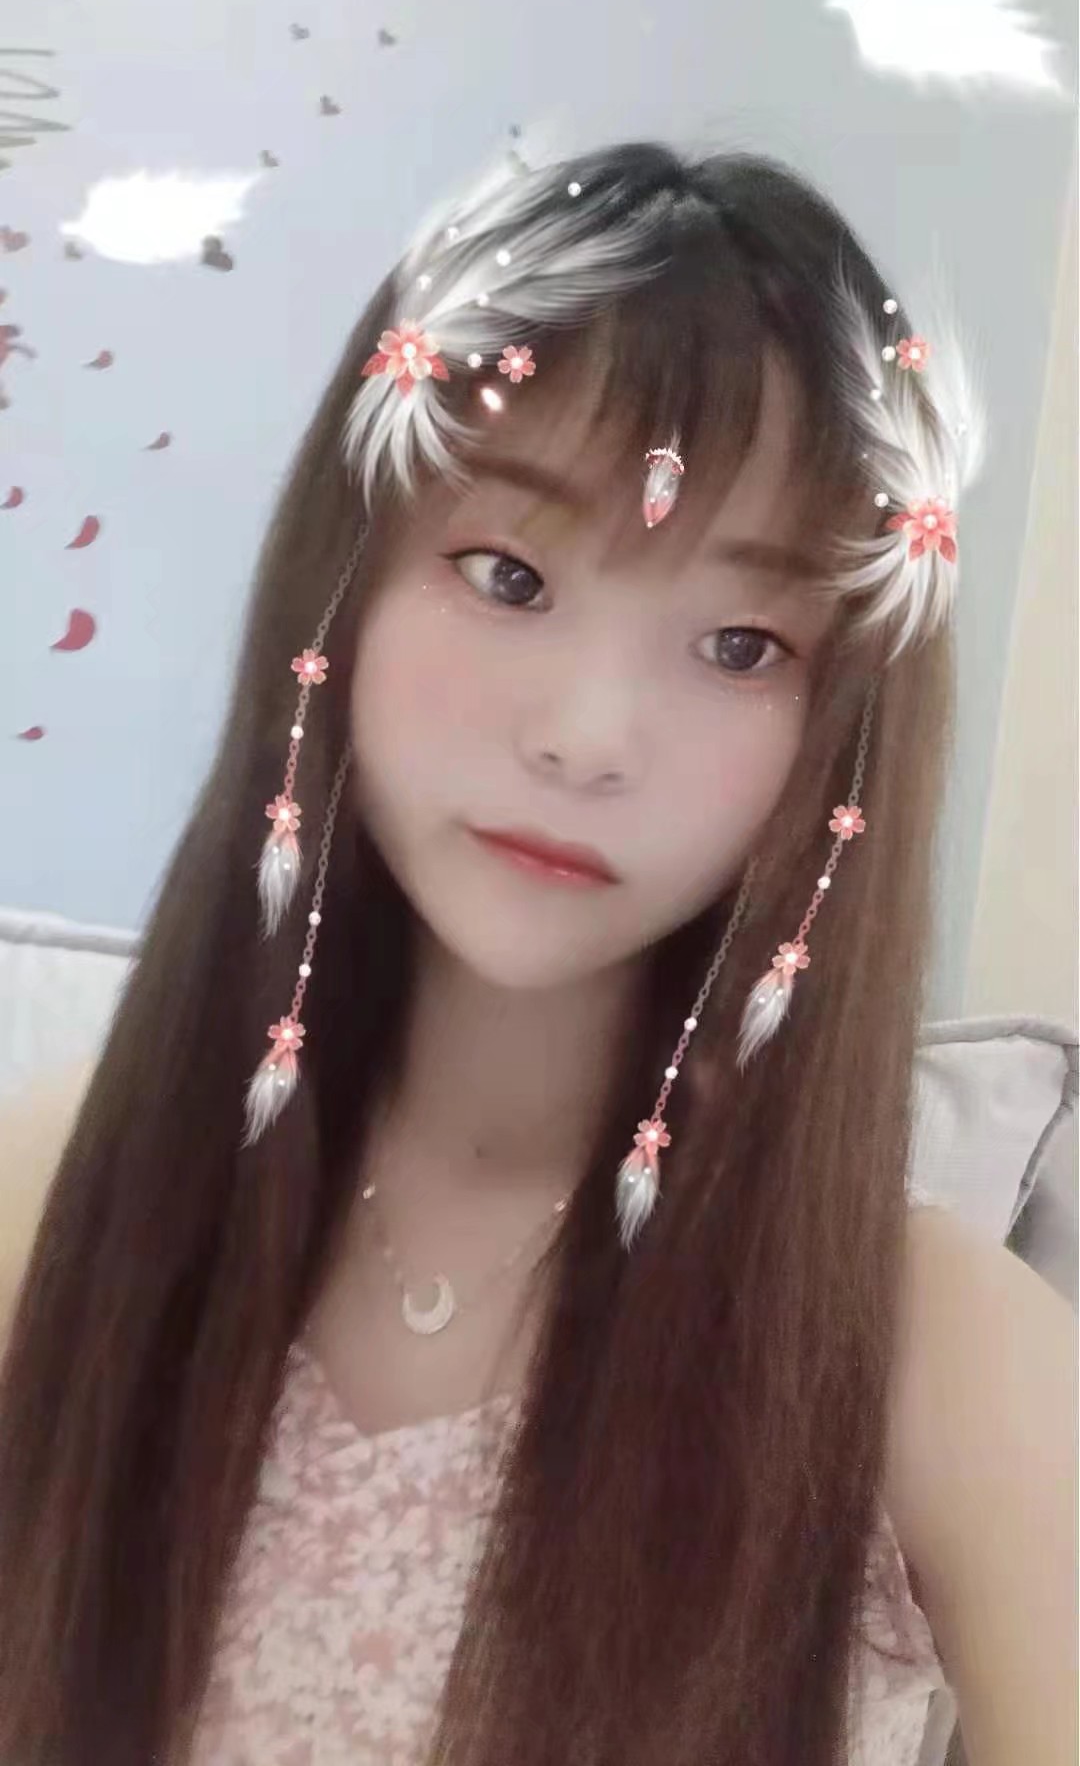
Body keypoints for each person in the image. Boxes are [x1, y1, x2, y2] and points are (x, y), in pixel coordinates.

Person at [0, 143, 1074, 1766]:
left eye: (742, 645)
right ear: (342, 589)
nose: (588, 735)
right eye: (507, 574)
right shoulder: (54, 1199)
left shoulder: (934, 1357)